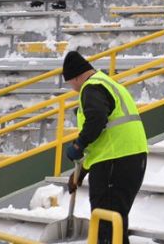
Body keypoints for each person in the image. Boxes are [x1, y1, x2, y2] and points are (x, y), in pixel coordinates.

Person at [61, 50, 147, 244]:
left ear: (75, 76)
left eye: (70, 83)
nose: (72, 88)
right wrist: (82, 171)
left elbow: (96, 119)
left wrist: (78, 144)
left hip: (115, 162)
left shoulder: (91, 87)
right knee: (114, 222)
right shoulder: (108, 83)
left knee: (106, 225)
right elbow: (106, 138)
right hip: (129, 158)